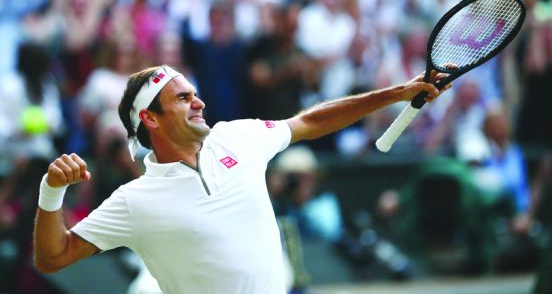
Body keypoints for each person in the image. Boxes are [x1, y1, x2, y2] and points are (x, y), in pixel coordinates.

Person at [33, 63, 451, 292]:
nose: (198, 102)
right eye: (183, 98)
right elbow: (53, 257)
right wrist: (51, 192)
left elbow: (309, 121)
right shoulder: (134, 199)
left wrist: (396, 93)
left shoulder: (239, 136)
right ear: (150, 118)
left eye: (195, 93)